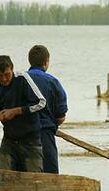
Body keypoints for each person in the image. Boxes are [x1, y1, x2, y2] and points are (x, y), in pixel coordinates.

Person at [0, 55, 46, 172]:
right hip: (9, 141)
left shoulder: (22, 79)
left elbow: (41, 103)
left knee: (34, 180)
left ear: (12, 69)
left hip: (31, 140)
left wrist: (15, 111)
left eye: (7, 75)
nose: (4, 79)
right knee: (3, 178)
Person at [27, 45, 68, 174]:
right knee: (50, 176)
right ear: (46, 62)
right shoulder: (52, 82)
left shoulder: (19, 80)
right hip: (45, 134)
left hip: (21, 135)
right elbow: (60, 116)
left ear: (30, 61)